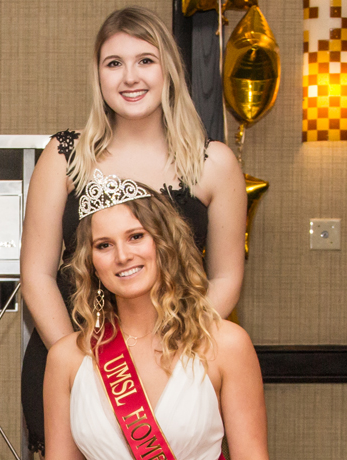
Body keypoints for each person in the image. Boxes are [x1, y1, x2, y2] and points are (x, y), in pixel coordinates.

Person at [20, 6, 246, 453]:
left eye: (145, 60)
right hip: (78, 358)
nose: (130, 77)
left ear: (169, 70)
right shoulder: (65, 156)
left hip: (184, 366)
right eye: (114, 63)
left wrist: (179, 350)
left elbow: (226, 276)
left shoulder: (213, 163)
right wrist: (80, 361)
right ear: (98, 76)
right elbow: (36, 273)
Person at [43, 172, 267, 460]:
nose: (122, 256)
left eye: (136, 237)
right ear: (91, 264)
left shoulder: (226, 344)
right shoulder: (66, 358)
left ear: (165, 245)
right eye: (104, 245)